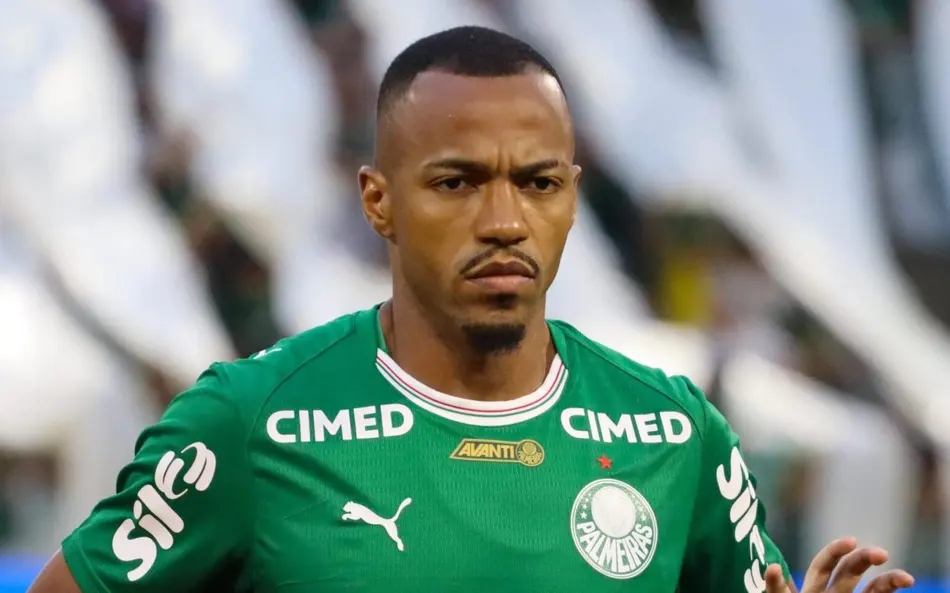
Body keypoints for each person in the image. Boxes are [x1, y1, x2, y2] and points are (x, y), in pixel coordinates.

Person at [27, 26, 914, 593]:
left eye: (538, 183)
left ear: (572, 197)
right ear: (378, 202)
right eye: (456, 183)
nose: (503, 221)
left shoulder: (675, 434)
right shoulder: (252, 420)